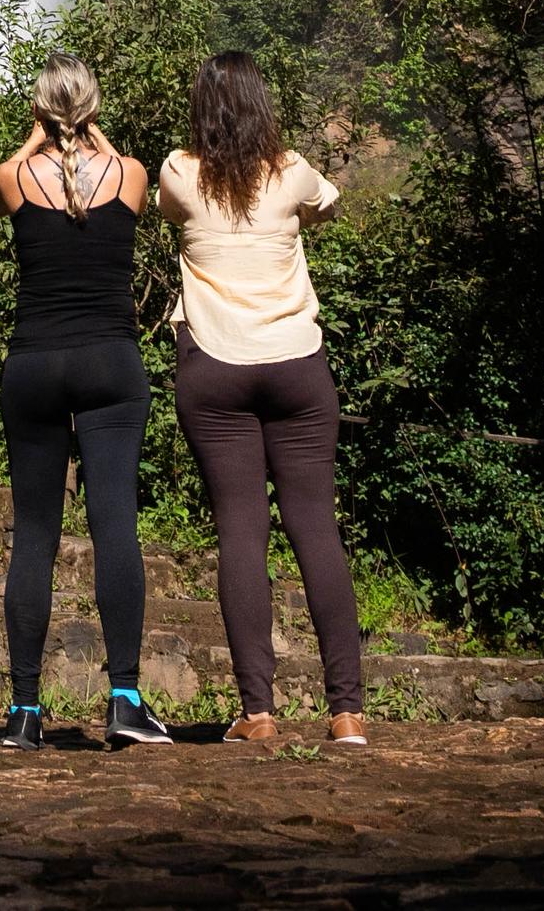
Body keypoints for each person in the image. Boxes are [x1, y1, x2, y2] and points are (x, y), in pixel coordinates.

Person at [159, 49, 368, 751]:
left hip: (215, 367)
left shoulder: (180, 172)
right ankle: (346, 715)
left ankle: (260, 712)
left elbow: (167, 212)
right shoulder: (294, 172)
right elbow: (327, 207)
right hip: (297, 367)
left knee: (242, 533)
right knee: (316, 529)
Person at [0, 56, 173, 751]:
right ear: (94, 110)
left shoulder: (15, 177)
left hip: (33, 363)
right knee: (115, 525)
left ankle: (25, 711)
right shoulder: (130, 174)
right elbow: (118, 165)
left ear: (38, 111)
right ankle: (123, 697)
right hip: (109, 362)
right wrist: (91, 136)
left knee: (34, 533)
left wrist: (35, 143)